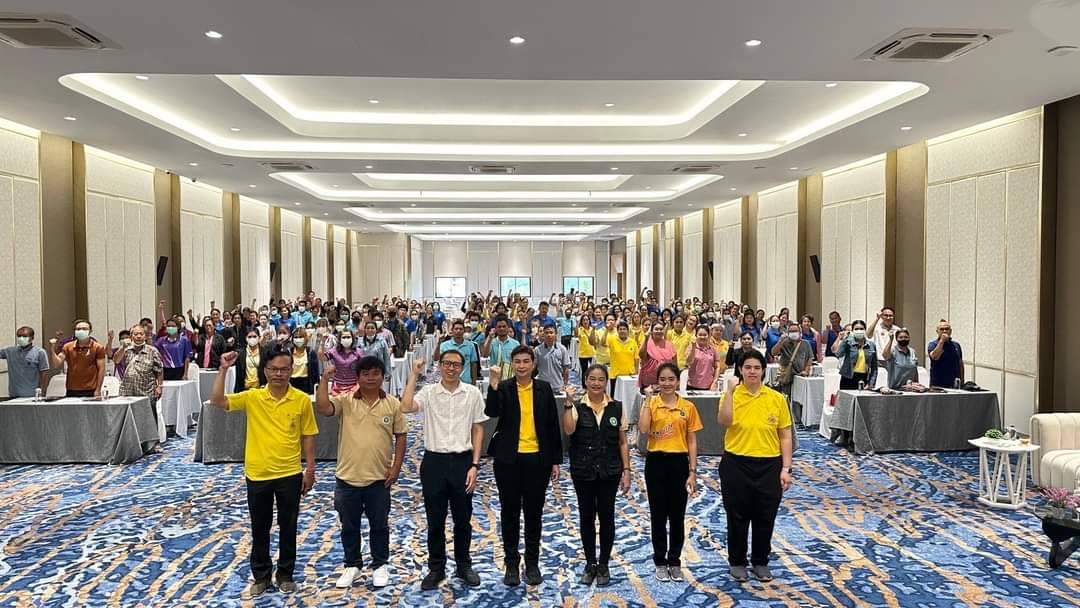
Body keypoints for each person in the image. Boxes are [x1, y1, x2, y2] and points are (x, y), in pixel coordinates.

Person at [209, 348, 318, 596]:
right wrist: (223, 369)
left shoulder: (301, 399)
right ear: (265, 371)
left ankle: (285, 574)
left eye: (284, 369)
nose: (279, 374)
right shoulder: (253, 397)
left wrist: (310, 469)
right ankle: (261, 575)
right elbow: (217, 400)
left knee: (288, 526)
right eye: (274, 369)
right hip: (258, 473)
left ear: (292, 370)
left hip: (290, 473)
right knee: (260, 527)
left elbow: (308, 435)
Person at [315, 355, 406, 589]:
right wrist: (324, 379)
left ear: (383, 376)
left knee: (379, 525)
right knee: (349, 525)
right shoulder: (346, 401)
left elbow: (401, 435)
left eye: (375, 373)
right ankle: (352, 565)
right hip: (348, 478)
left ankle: (380, 564)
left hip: (379, 478)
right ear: (357, 377)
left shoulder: (392, 404)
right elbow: (323, 408)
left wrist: (396, 466)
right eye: (365, 374)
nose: (370, 378)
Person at [400, 350, 486, 590]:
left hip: (463, 462)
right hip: (434, 463)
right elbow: (406, 406)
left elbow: (478, 429)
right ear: (439, 366)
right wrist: (413, 374)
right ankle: (436, 568)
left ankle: (463, 565)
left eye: (456, 365)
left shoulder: (472, 393)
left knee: (463, 519)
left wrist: (475, 465)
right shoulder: (429, 392)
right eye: (447, 364)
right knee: (435, 519)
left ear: (463, 368)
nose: (451, 368)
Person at [485, 346, 562, 586]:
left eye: (526, 361)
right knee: (509, 513)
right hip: (508, 459)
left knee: (533, 514)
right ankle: (511, 563)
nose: (521, 366)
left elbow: (553, 425)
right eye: (517, 361)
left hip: (537, 459)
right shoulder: (505, 387)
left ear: (533, 364)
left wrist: (555, 460)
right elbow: (491, 411)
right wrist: (493, 385)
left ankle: (532, 562)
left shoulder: (543, 388)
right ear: (512, 364)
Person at [716, 349, 793, 583]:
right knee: (736, 515)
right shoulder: (731, 395)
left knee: (765, 515)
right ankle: (737, 561)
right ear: (740, 370)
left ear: (763, 371)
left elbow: (785, 435)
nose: (752, 372)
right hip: (736, 463)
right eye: (747, 367)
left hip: (769, 465)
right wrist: (730, 392)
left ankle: (760, 561)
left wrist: (786, 468)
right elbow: (724, 421)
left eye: (757, 368)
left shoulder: (776, 398)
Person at [562, 365, 630, 587]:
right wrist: (568, 403)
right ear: (585, 380)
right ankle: (590, 562)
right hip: (583, 470)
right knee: (586, 517)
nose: (596, 383)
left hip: (610, 470)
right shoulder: (577, 406)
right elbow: (569, 430)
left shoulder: (616, 407)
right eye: (592, 379)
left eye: (601, 379)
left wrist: (627, 471)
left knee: (607, 517)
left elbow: (622, 442)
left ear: (606, 382)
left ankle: (604, 564)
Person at [637, 362, 701, 582]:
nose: (666, 384)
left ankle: (674, 561)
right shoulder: (651, 403)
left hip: (679, 464)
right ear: (657, 381)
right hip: (656, 462)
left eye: (671, 379)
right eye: (662, 379)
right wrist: (647, 400)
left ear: (677, 381)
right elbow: (643, 429)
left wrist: (693, 471)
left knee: (677, 515)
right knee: (658, 515)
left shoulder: (688, 407)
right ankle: (660, 561)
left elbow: (692, 441)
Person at [114, 325, 164, 429]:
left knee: (149, 419)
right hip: (127, 390)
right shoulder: (125, 349)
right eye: (136, 334)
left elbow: (159, 370)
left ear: (145, 336)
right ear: (131, 336)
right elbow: (116, 360)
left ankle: (152, 438)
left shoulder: (152, 350)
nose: (139, 336)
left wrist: (159, 386)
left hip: (147, 390)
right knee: (128, 420)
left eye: (141, 334)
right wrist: (123, 347)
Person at [49, 319, 106, 398]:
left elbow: (101, 369)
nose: (81, 331)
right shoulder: (67, 346)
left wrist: (98, 389)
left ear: (90, 331)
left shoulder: (98, 347)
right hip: (72, 389)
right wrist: (52, 349)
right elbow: (56, 364)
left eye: (84, 329)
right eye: (78, 329)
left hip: (91, 389)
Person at [1, 326, 50, 398]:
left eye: (24, 336)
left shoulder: (40, 352)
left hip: (32, 395)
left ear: (32, 338)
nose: (21, 338)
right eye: (19, 336)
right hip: (14, 395)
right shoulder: (10, 351)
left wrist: (43, 393)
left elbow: (44, 373)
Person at [771, 322, 813, 397]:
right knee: (785, 398)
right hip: (786, 376)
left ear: (800, 332)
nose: (793, 333)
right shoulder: (784, 342)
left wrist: (806, 371)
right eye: (791, 331)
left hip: (800, 376)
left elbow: (809, 358)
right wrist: (780, 341)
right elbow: (774, 352)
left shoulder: (806, 344)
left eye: (795, 331)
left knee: (798, 399)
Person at [834, 320, 878, 390]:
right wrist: (844, 340)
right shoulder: (848, 343)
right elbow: (838, 354)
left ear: (865, 330)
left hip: (864, 377)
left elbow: (874, 367)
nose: (859, 331)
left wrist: (871, 383)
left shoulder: (871, 345)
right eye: (856, 329)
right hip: (848, 377)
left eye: (861, 329)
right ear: (852, 331)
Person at [439, 320, 481, 385]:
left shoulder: (471, 346)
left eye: (461, 329)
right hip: (449, 381)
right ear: (452, 330)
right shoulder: (444, 345)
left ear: (464, 331)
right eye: (456, 329)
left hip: (466, 382)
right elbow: (438, 362)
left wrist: (474, 382)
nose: (458, 331)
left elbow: (473, 364)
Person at [638, 322, 676, 391]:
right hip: (649, 384)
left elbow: (674, 363)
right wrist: (646, 339)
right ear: (651, 331)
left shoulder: (669, 344)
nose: (659, 331)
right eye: (656, 329)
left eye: (661, 329)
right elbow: (641, 355)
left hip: (666, 383)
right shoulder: (647, 343)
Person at [322, 328, 362, 394]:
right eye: (344, 337)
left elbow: (362, 369)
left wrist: (358, 385)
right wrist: (322, 343)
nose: (346, 339)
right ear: (340, 339)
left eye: (348, 337)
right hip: (337, 388)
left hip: (354, 387)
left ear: (352, 338)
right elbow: (323, 358)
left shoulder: (358, 352)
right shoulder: (334, 351)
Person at [482, 315, 520, 381]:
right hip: (495, 379)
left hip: (511, 378)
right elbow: (485, 355)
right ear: (496, 328)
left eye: (504, 326)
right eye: (499, 327)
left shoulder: (515, 343)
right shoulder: (491, 342)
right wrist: (489, 338)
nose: (501, 329)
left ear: (508, 328)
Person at [928, 320, 964, 388]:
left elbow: (960, 363)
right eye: (942, 329)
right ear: (937, 331)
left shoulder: (956, 345)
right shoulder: (932, 344)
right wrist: (942, 341)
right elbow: (935, 357)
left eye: (947, 329)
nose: (944, 331)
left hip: (954, 384)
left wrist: (962, 380)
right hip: (938, 385)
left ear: (950, 331)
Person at [606, 322, 639, 395]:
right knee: (614, 396)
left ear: (627, 331)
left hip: (629, 375)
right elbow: (602, 343)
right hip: (615, 375)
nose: (622, 331)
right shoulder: (612, 340)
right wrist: (607, 330)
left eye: (624, 329)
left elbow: (636, 358)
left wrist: (636, 371)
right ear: (617, 331)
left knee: (628, 395)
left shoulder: (633, 342)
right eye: (620, 329)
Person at [535, 325, 571, 390]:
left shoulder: (562, 349)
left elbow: (566, 369)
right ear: (543, 334)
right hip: (542, 387)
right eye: (546, 333)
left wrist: (565, 384)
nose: (549, 335)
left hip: (558, 386)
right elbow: (534, 367)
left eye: (551, 332)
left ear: (555, 334)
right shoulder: (537, 350)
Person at [686, 326, 722, 391]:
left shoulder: (713, 349)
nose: (702, 337)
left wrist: (714, 382)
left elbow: (717, 367)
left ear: (709, 336)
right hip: (692, 385)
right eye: (700, 335)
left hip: (709, 386)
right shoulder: (691, 347)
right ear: (696, 336)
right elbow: (689, 362)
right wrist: (693, 347)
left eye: (705, 335)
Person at [233, 328, 267, 392]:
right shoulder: (241, 353)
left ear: (259, 337)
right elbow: (238, 374)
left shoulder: (264, 352)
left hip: (260, 388)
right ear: (246, 338)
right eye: (249, 337)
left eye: (254, 336)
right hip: (245, 388)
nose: (252, 339)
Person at [288, 328, 319, 394]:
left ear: (305, 338)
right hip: (291, 383)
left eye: (300, 337)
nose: (298, 339)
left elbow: (315, 373)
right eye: (296, 337)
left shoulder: (311, 352)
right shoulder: (289, 352)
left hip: (306, 384)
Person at [575, 313, 597, 383]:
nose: (585, 321)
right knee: (584, 371)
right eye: (584, 320)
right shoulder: (580, 329)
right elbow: (576, 334)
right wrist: (577, 324)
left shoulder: (592, 329)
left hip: (592, 353)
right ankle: (584, 386)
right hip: (583, 354)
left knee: (593, 371)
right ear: (581, 321)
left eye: (587, 320)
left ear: (589, 321)